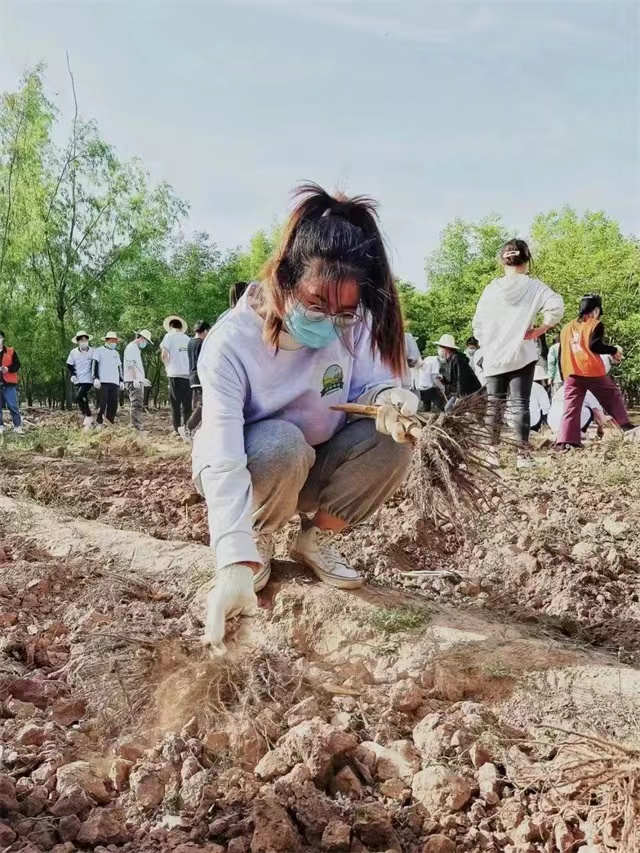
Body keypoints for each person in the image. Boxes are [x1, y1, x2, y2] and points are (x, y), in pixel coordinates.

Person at [194, 183, 416, 650]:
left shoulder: (352, 326)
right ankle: (258, 537)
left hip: (318, 461)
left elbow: (368, 386)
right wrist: (231, 561)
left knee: (394, 442)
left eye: (343, 313)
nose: (330, 321)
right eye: (316, 305)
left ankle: (316, 540)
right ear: (284, 279)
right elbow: (222, 455)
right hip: (262, 467)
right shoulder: (231, 345)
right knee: (281, 441)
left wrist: (391, 398)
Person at [472, 239, 564, 469]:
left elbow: (478, 324)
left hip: (494, 354)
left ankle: (491, 454)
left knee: (495, 405)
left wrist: (488, 343)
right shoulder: (534, 287)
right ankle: (522, 455)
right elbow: (556, 305)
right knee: (521, 404)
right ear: (526, 260)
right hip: (522, 353)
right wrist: (541, 329)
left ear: (503, 262)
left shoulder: (492, 289)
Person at [555, 294, 639, 448]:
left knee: (571, 407)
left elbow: (561, 352)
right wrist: (614, 349)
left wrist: (563, 375)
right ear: (596, 310)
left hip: (570, 371)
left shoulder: (566, 327)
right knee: (612, 395)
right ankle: (625, 425)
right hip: (590, 369)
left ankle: (567, 440)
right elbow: (595, 346)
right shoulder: (595, 324)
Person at [160, 316, 192, 437]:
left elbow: (164, 355)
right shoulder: (188, 339)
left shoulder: (168, 336)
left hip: (174, 374)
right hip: (187, 375)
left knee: (175, 404)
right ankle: (188, 429)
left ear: (170, 327)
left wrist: (167, 367)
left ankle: (177, 429)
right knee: (187, 404)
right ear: (181, 327)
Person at [435, 334, 481, 410]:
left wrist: (460, 398)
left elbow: (461, 379)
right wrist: (442, 379)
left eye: (441, 347)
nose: (439, 349)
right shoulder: (448, 360)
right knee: (448, 409)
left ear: (447, 348)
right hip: (458, 393)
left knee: (449, 409)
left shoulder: (457, 359)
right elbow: (451, 379)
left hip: (469, 392)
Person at [185, 320, 211, 438]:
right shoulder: (202, 343)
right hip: (200, 376)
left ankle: (198, 428)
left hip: (192, 377)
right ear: (205, 330)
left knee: (198, 404)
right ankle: (189, 426)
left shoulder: (190, 343)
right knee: (204, 404)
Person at [92, 333, 124, 428]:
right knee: (102, 404)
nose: (114, 343)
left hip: (114, 382)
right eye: (112, 341)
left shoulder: (116, 353)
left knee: (113, 405)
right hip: (103, 382)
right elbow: (94, 365)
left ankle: (110, 424)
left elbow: (119, 368)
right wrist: (95, 378)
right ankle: (99, 422)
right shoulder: (99, 351)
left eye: (115, 341)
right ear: (107, 340)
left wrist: (121, 380)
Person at [123, 330, 153, 431]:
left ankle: (136, 424)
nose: (146, 344)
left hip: (136, 379)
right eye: (147, 341)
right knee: (136, 403)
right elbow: (130, 364)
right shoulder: (131, 347)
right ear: (142, 338)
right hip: (133, 380)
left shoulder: (135, 348)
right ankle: (135, 426)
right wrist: (136, 379)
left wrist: (142, 379)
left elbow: (136, 365)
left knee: (138, 403)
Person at [508, 365, 550, 433]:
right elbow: (546, 407)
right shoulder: (539, 388)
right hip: (533, 422)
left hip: (513, 421)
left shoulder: (518, 385)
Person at [66, 331, 95, 431]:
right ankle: (89, 418)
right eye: (82, 340)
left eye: (85, 340)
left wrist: (96, 377)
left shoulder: (93, 351)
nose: (84, 342)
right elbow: (69, 365)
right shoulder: (73, 352)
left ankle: (87, 416)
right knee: (83, 398)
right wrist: (73, 375)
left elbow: (96, 364)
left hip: (89, 379)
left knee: (78, 397)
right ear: (78, 342)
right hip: (78, 379)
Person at [0, 331, 24, 435]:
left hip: (9, 384)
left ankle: (17, 426)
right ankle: (1, 426)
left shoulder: (10, 351)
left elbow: (17, 365)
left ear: (3, 339)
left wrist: (8, 369)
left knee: (13, 405)